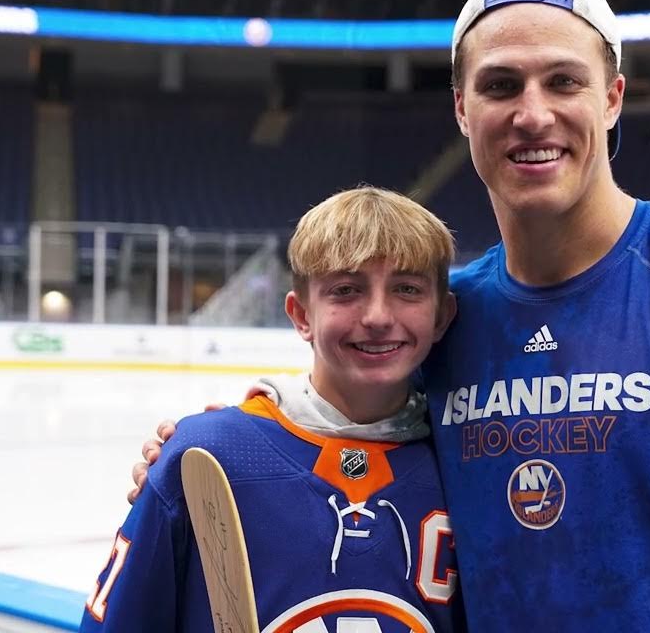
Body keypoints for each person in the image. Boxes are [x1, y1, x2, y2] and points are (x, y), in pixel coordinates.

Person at [135, 0, 650, 632]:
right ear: (463, 110)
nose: (533, 113)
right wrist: (207, 445)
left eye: (564, 80)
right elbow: (334, 425)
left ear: (614, 99)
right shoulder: (444, 322)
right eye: (501, 85)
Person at [86, 187, 464, 632]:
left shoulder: (469, 462)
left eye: (407, 289)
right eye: (346, 290)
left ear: (442, 316)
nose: (378, 316)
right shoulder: (208, 456)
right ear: (301, 314)